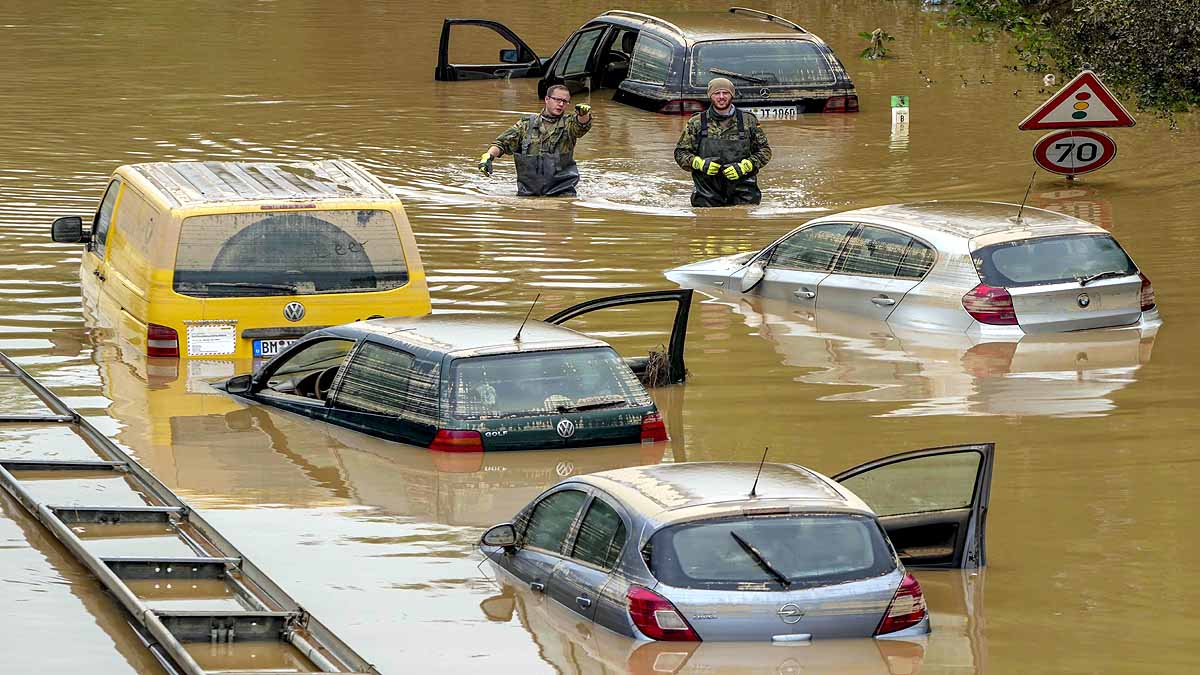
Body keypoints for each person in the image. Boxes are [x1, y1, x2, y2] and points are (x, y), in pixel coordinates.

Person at [478, 85, 593, 197]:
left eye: (565, 101)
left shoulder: (569, 124)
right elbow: (502, 143)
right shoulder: (526, 125)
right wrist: (488, 156)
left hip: (562, 191)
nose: (561, 104)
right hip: (528, 192)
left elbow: (582, 126)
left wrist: (584, 114)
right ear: (547, 99)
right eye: (557, 100)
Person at [674, 77, 772, 207]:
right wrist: (699, 163)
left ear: (732, 95)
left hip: (744, 194)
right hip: (707, 194)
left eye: (725, 93)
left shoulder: (748, 121)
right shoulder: (696, 122)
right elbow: (680, 153)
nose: (721, 97)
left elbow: (765, 151)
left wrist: (746, 166)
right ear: (710, 96)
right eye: (717, 93)